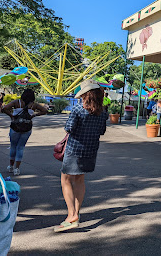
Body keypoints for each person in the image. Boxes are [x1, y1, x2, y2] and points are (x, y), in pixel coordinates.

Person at [55, 79, 108, 233]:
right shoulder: (103, 112)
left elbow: (69, 128)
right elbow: (102, 131)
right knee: (80, 180)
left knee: (66, 180)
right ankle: (76, 214)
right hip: (91, 150)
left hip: (74, 150)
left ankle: (71, 215)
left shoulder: (78, 109)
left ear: (86, 94)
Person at [3, 89, 47, 175]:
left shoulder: (17, 102)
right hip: (27, 127)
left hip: (15, 127)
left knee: (13, 146)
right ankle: (17, 168)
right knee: (20, 147)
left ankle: (11, 166)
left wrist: (12, 116)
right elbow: (44, 111)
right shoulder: (33, 105)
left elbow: (5, 108)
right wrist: (34, 115)